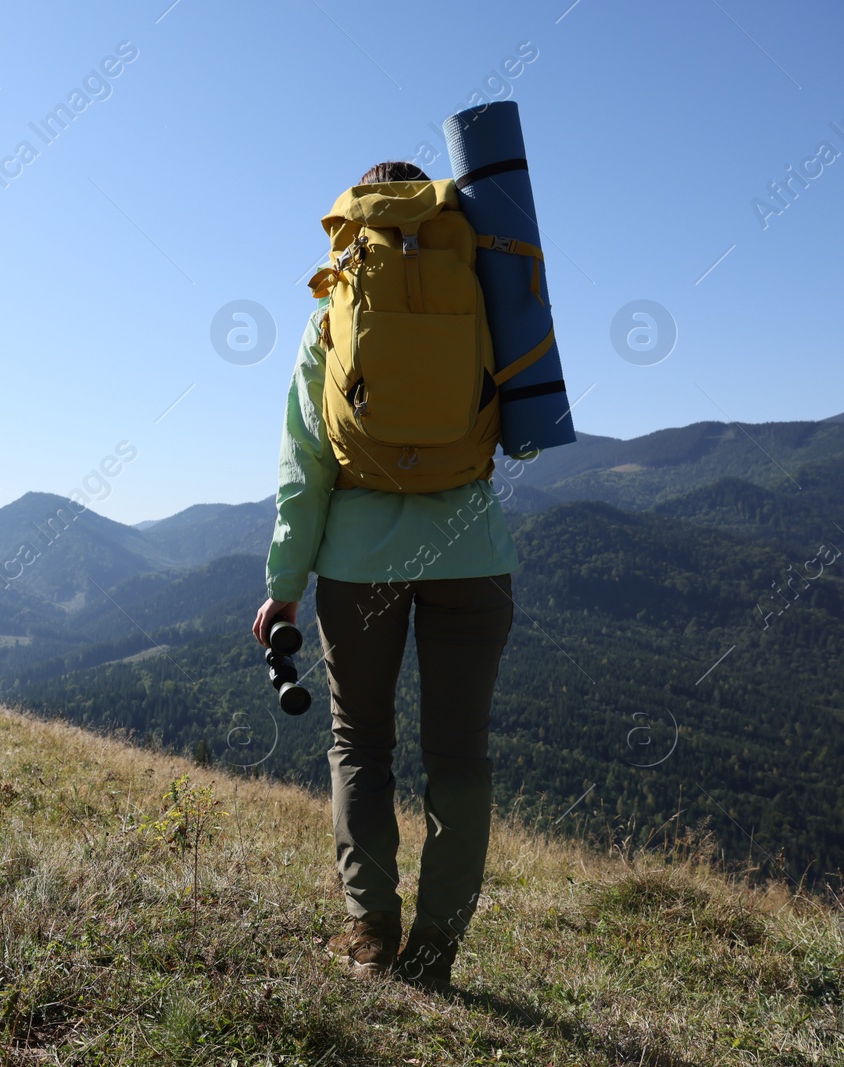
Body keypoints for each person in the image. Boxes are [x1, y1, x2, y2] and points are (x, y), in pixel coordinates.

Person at [251, 160, 530, 992]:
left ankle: (372, 933)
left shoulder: (332, 312)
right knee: (461, 756)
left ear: (361, 224)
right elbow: (526, 427)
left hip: (357, 566)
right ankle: (437, 951)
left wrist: (285, 579)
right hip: (473, 558)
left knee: (361, 745)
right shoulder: (484, 293)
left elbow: (304, 466)